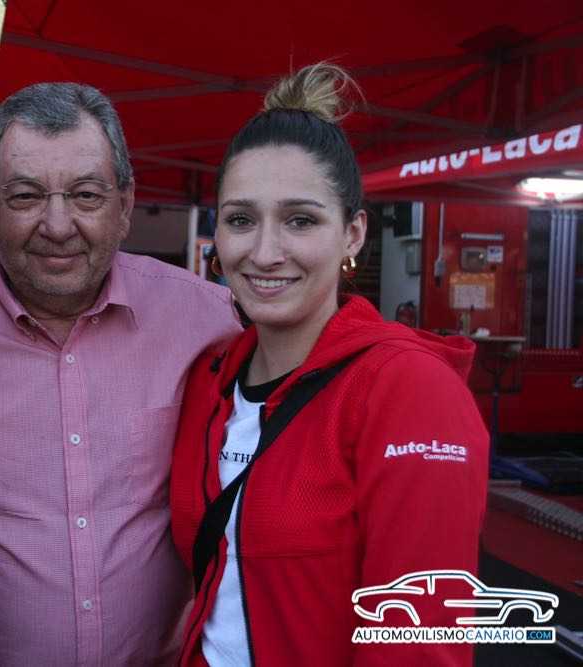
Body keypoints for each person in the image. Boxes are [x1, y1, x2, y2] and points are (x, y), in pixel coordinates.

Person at [0, 82, 240, 665]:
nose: (58, 225)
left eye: (86, 195)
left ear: (125, 205)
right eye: (26, 196)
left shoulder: (207, 319)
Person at [170, 64, 489, 666]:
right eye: (241, 219)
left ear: (353, 233)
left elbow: (419, 641)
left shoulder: (408, 390)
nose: (264, 252)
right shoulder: (207, 379)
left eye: (301, 220)